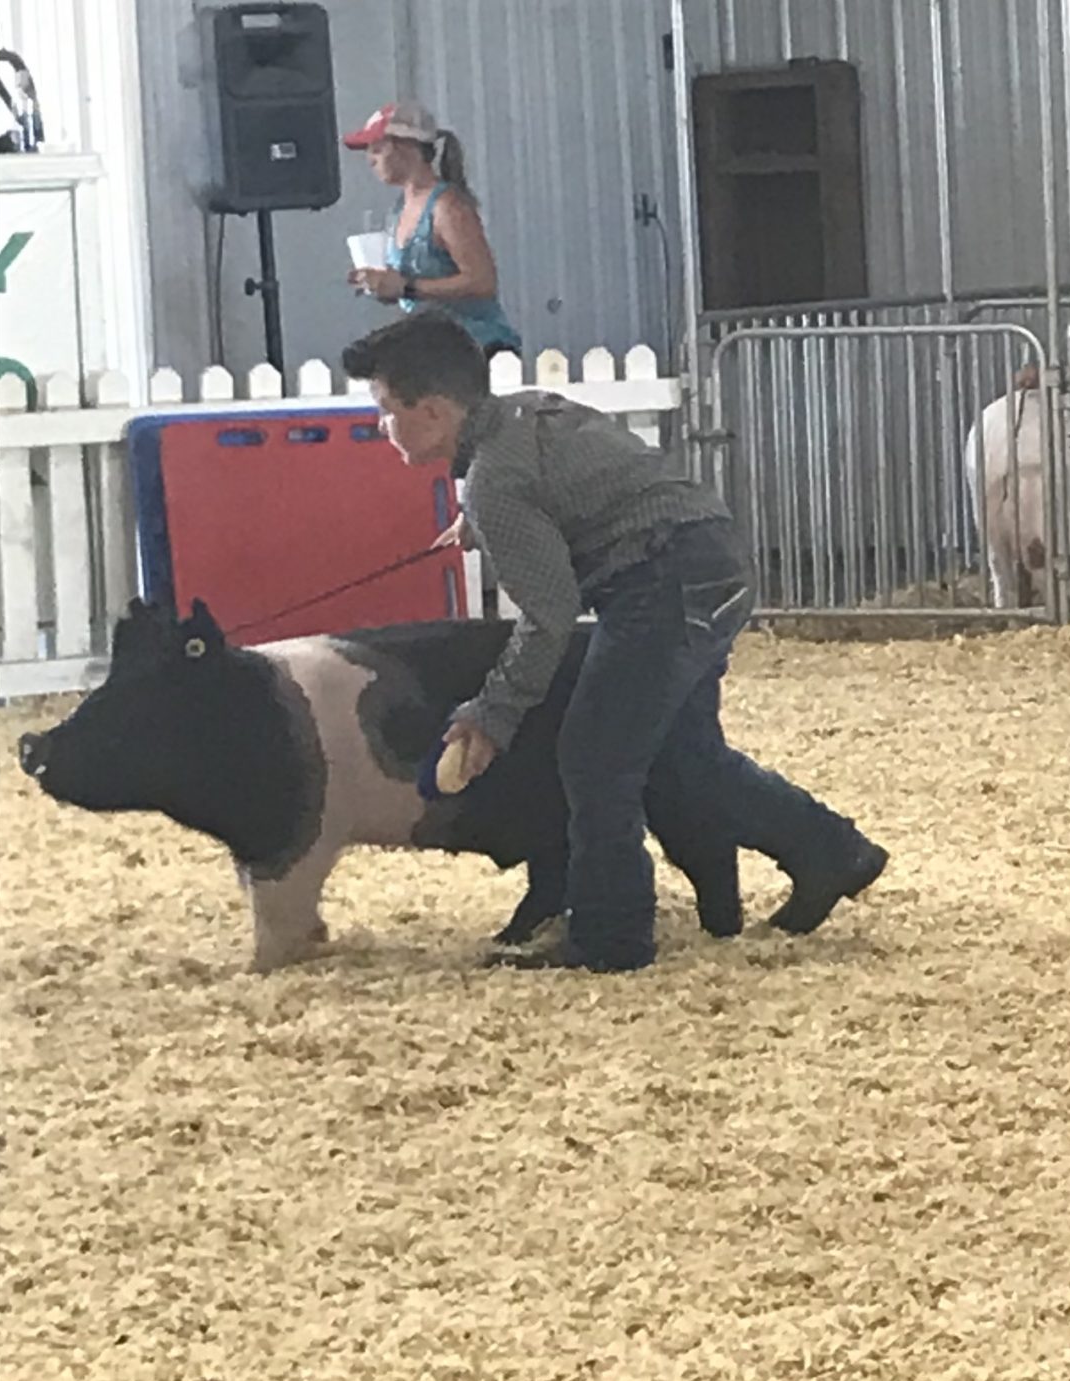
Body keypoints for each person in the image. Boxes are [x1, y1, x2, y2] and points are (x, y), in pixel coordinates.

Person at [341, 312, 890, 972]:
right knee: (684, 757)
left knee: (594, 758)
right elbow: (574, 479)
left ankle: (612, 938)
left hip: (660, 584)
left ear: (429, 412)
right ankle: (831, 850)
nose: (381, 426)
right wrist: (480, 521)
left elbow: (548, 616)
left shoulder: (494, 481)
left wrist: (489, 716)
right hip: (711, 560)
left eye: (385, 410)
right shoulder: (525, 413)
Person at [342, 101, 523, 360]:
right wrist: (383, 284)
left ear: (406, 147)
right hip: (435, 349)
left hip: (477, 347)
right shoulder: (400, 209)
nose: (370, 160)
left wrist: (407, 287)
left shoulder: (447, 207)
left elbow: (482, 282)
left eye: (378, 148)